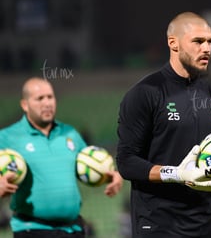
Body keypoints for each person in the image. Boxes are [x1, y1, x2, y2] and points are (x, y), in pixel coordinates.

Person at [116, 11, 211, 238]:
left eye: (209, 41)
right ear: (174, 43)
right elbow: (126, 162)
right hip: (159, 224)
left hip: (207, 224)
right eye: (198, 41)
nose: (206, 48)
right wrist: (176, 174)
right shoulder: (144, 94)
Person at [0, 77, 123, 238]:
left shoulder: (70, 133)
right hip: (32, 230)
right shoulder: (7, 137)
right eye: (40, 98)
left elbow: (91, 164)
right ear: (25, 104)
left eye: (50, 97)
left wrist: (112, 175)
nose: (47, 103)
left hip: (72, 230)